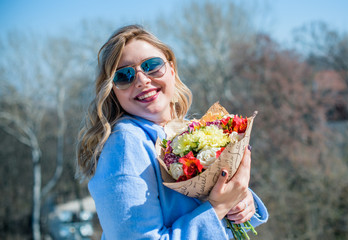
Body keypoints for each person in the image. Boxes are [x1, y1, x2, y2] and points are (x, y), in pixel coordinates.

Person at [76, 24, 268, 239]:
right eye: (124, 76)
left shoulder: (187, 131)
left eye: (152, 65)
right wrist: (218, 208)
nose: (142, 80)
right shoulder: (125, 144)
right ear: (113, 91)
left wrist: (239, 201)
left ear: (171, 69)